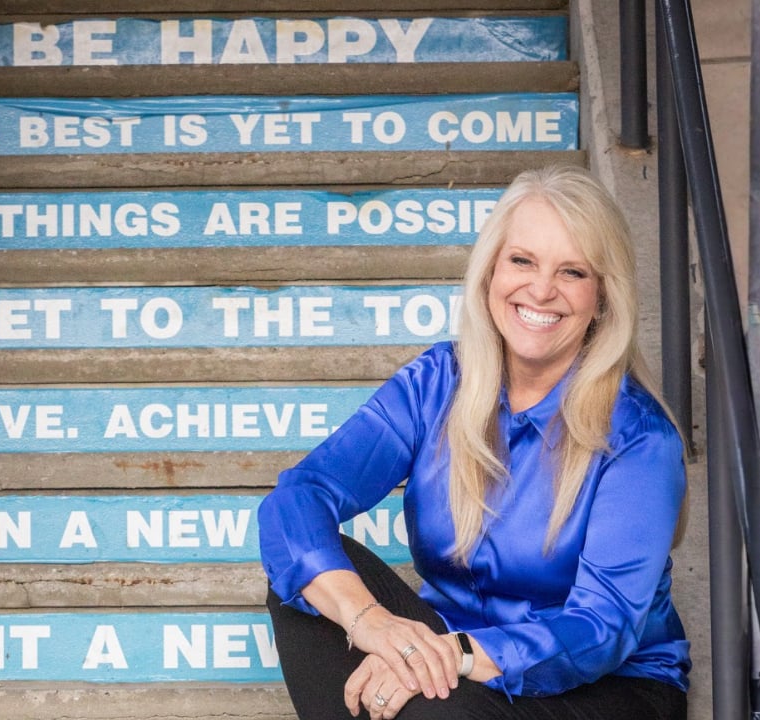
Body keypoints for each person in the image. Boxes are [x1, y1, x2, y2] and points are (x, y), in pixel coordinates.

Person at [258, 165, 690, 720]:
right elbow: (301, 496)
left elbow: (600, 629)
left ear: (602, 297)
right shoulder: (437, 383)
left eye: (572, 271)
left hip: (607, 686)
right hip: (452, 661)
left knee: (438, 708)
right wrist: (372, 623)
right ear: (490, 272)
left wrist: (454, 655)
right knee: (307, 582)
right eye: (522, 261)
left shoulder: (638, 437)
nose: (541, 289)